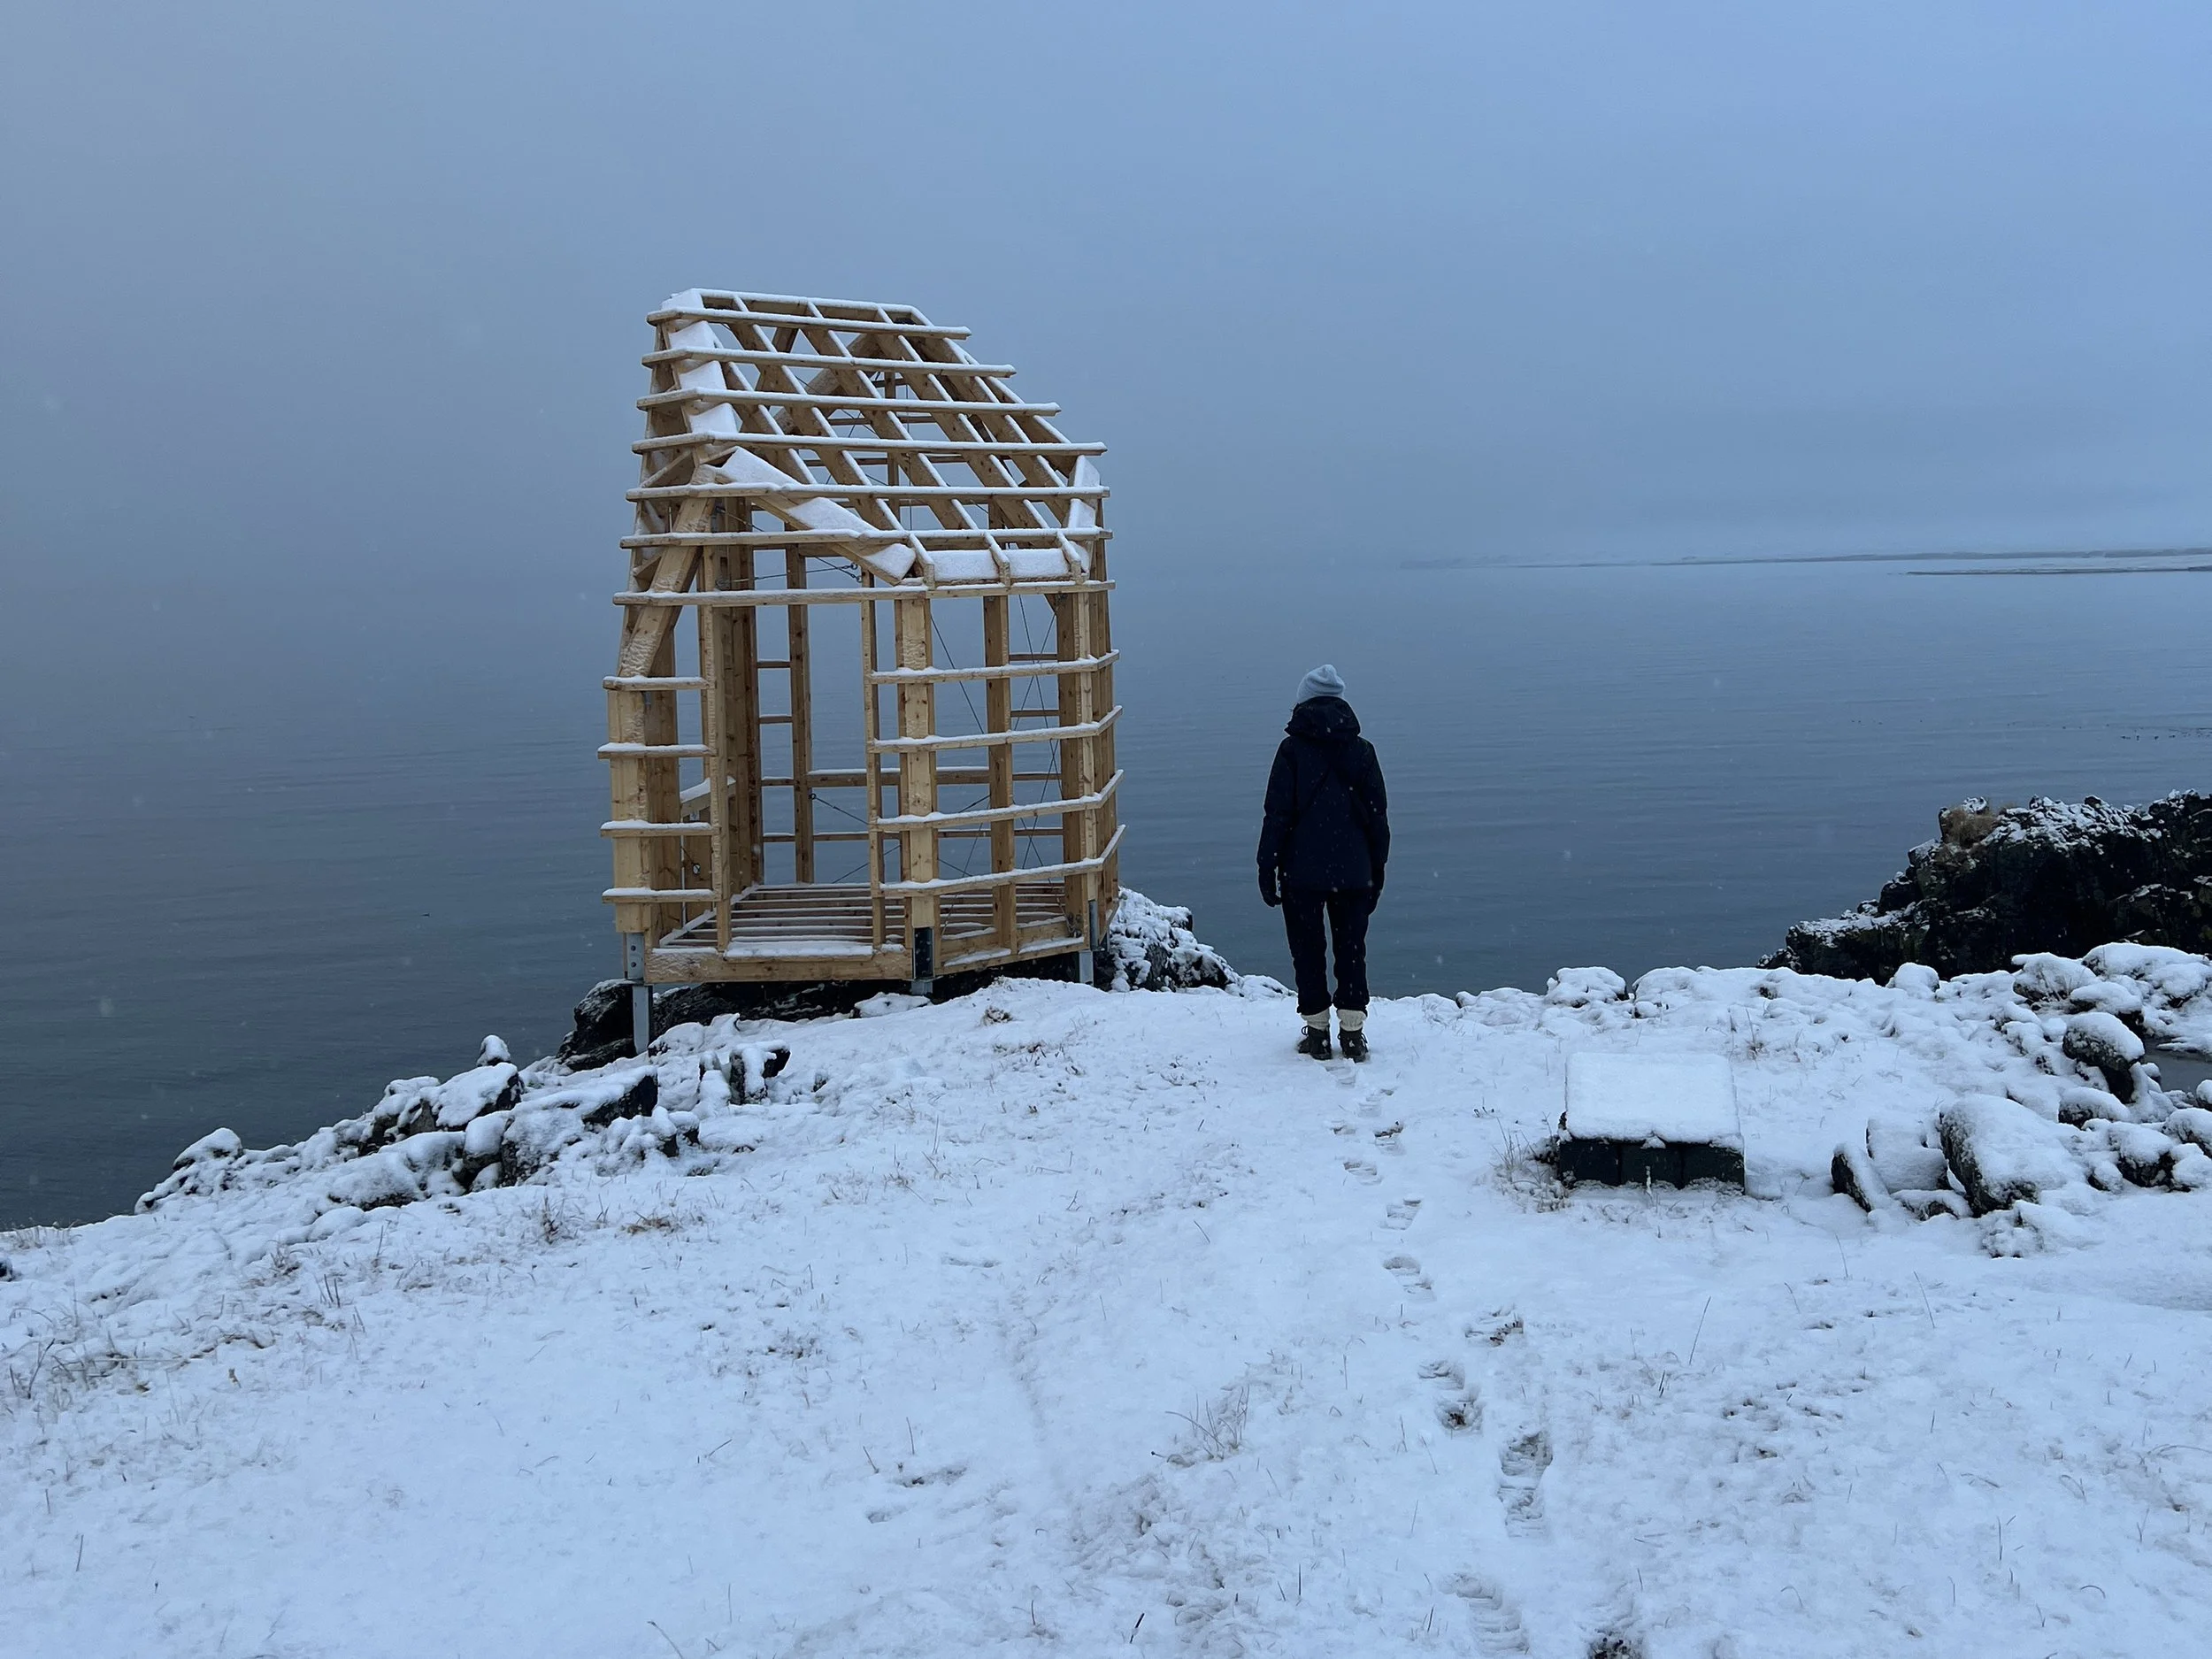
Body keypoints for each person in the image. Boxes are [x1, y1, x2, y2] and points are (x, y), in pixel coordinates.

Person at [1256, 664, 1389, 1060]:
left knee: (1307, 950)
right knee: (1352, 950)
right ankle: (1352, 1034)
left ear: (1303, 703)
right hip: (1354, 872)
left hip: (1302, 872)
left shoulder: (1291, 751)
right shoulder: (1363, 752)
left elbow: (1277, 815)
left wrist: (1267, 867)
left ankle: (1317, 1035)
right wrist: (1376, 871)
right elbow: (1378, 820)